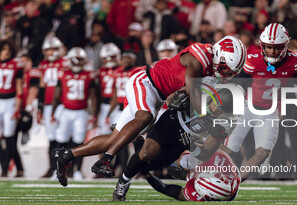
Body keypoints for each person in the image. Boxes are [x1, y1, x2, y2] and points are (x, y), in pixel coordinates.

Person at [51, 35, 246, 187]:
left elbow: (189, 93)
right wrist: (206, 117)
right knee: (145, 117)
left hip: (157, 94)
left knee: (115, 139)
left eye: (231, 72)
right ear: (219, 54)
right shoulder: (200, 55)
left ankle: (67, 155)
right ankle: (106, 160)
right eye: (226, 69)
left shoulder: (212, 66)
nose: (227, 74)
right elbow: (192, 91)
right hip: (146, 82)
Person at [225, 23, 297, 182]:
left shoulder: (293, 60)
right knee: (230, 147)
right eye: (269, 47)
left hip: (271, 111)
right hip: (247, 107)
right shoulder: (253, 60)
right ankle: (205, 174)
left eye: (277, 47)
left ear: (285, 46)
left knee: (263, 152)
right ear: (262, 45)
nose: (272, 51)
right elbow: (237, 85)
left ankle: (234, 182)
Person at [110, 86, 238, 201]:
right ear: (212, 98)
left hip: (182, 141)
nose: (216, 112)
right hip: (171, 122)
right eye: (217, 106)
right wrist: (175, 100)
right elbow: (170, 98)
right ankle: (122, 184)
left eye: (221, 111)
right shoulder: (200, 94)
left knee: (147, 165)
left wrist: (193, 147)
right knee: (145, 154)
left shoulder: (220, 127)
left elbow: (206, 154)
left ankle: (136, 136)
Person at [51, 47, 99, 185]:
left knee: (79, 142)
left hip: (81, 112)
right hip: (66, 111)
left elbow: (94, 97)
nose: (78, 63)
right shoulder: (63, 73)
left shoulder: (89, 75)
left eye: (80, 60)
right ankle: (58, 169)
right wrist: (54, 112)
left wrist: (94, 114)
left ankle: (77, 170)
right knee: (61, 141)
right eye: (76, 60)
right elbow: (56, 95)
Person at [144, 149, 240, 201]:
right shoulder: (222, 161)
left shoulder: (197, 194)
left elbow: (167, 189)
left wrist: (147, 175)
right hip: (210, 156)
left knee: (180, 164)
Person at [38, 36, 68, 178]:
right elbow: (41, 88)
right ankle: (51, 168)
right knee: (51, 139)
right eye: (48, 49)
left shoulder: (66, 63)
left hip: (62, 105)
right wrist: (40, 108)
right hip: (48, 105)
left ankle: (64, 168)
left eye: (53, 49)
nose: (50, 52)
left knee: (62, 138)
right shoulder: (43, 64)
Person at [0, 40, 24, 177]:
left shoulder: (16, 64)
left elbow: (19, 87)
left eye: (8, 49)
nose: (6, 51)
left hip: (10, 101)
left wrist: (18, 107)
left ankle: (5, 168)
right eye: (3, 49)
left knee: (9, 137)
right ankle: (4, 164)